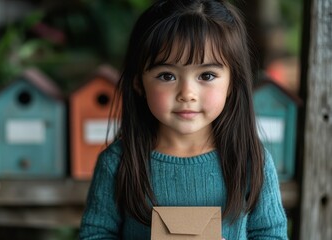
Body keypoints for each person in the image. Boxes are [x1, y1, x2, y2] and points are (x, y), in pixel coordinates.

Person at [79, 0, 288, 239]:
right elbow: (95, 234)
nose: (187, 93)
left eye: (207, 75)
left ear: (232, 82)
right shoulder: (118, 163)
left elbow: (270, 234)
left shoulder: (251, 161)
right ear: (138, 82)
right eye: (167, 76)